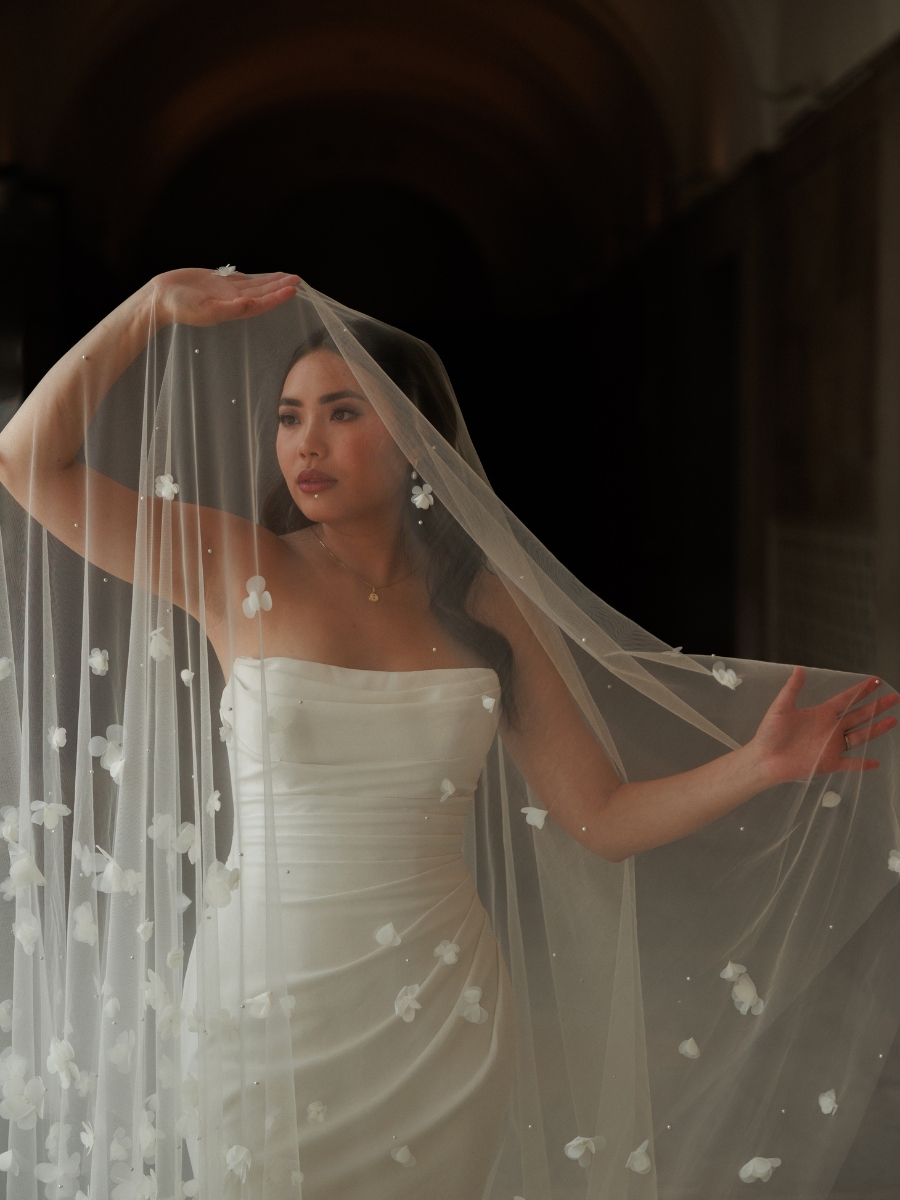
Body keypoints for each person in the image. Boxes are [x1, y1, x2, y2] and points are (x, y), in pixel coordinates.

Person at [0, 267, 898, 1200]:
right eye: (289, 417)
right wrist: (147, 309)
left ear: (416, 438)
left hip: (438, 1012)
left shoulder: (488, 608)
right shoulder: (238, 566)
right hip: (263, 1002)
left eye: (343, 413)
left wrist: (757, 766)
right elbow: (26, 462)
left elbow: (599, 814)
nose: (306, 443)